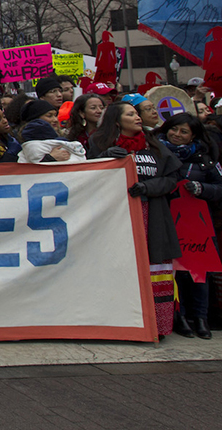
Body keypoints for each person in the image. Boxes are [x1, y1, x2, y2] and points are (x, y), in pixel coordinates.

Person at [90, 101, 184, 338]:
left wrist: (147, 187)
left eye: (136, 113)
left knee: (156, 273)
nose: (137, 117)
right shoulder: (99, 144)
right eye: (130, 114)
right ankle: (121, 325)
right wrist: (103, 157)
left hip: (153, 217)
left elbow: (172, 179)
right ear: (117, 120)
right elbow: (87, 176)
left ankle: (159, 328)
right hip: (117, 219)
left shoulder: (155, 146)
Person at [156, 113, 222, 339]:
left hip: (198, 227)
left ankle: (201, 318)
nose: (177, 135)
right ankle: (179, 316)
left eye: (184, 132)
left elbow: (219, 187)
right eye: (174, 130)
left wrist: (202, 189)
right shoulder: (156, 153)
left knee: (198, 273)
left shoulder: (206, 160)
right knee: (175, 272)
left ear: (193, 135)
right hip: (167, 222)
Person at [16, 100, 86, 164]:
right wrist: (50, 158)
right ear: (35, 120)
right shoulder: (24, 145)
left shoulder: (65, 138)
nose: (55, 120)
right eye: (49, 116)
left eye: (55, 115)